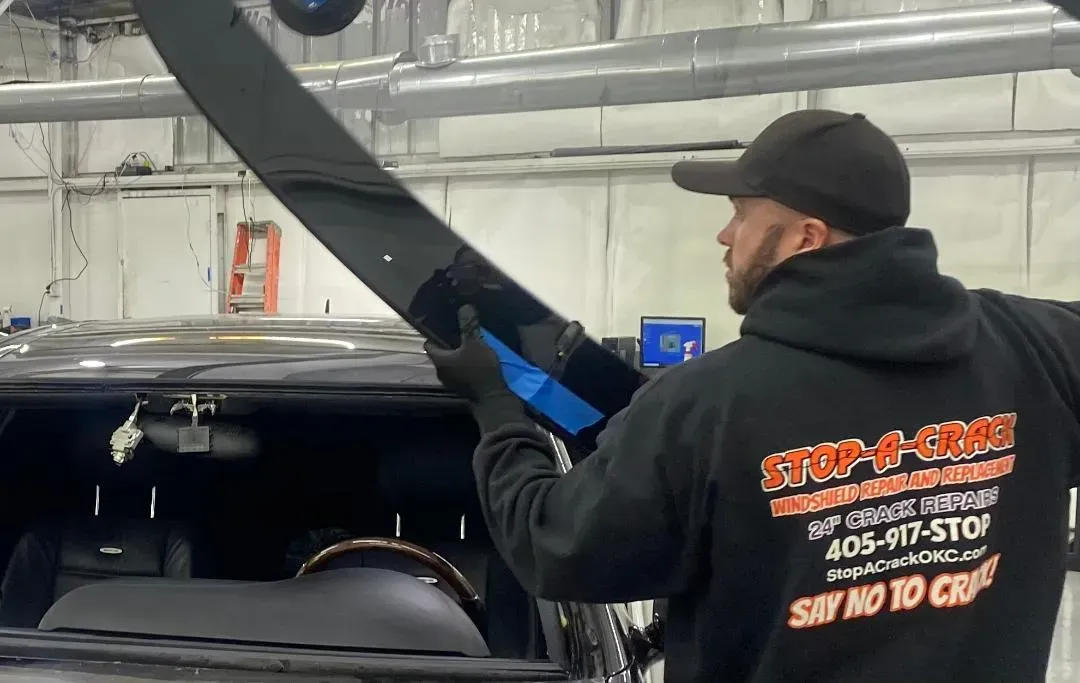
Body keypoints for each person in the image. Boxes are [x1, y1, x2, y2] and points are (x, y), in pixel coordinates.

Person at [424, 108, 1080, 683]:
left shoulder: (706, 405)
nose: (725, 235)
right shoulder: (1034, 345)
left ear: (805, 237)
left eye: (740, 214)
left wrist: (495, 406)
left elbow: (557, 545)